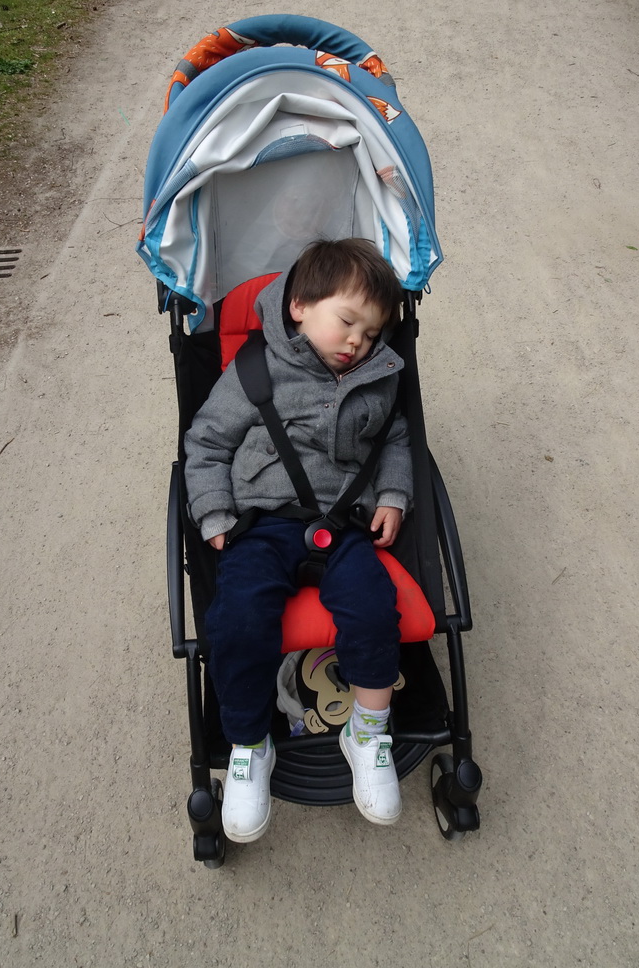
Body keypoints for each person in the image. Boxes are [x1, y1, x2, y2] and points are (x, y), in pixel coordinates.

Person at [184, 238, 411, 843]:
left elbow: (394, 438)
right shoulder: (254, 369)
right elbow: (206, 443)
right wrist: (213, 515)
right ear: (300, 306)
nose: (357, 341)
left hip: (342, 525)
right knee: (236, 617)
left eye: (371, 331)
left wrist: (393, 495)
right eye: (347, 321)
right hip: (262, 522)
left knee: (372, 606)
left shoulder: (378, 374)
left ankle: (367, 729)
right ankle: (250, 744)